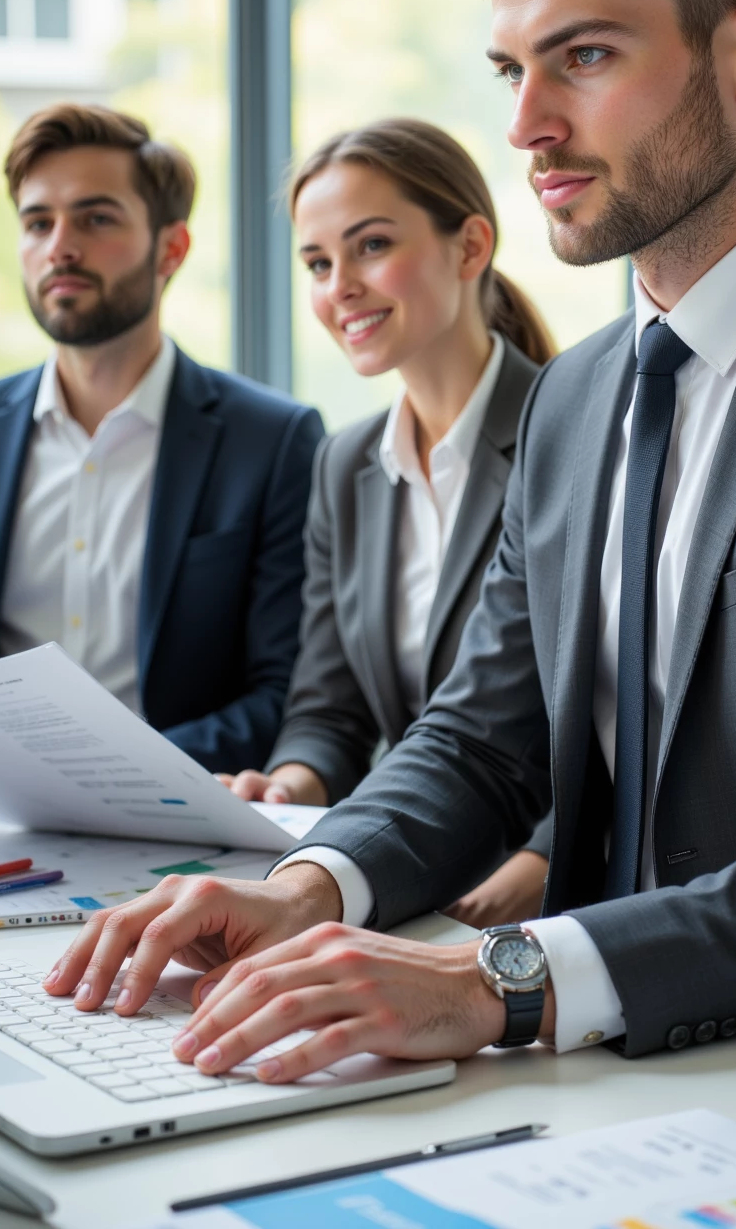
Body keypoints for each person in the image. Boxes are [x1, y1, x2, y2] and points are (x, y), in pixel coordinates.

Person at [47, 0, 736, 1138]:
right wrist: (312, 887)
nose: (526, 124)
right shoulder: (576, 395)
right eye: (510, 67)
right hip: (612, 1082)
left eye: (586, 58)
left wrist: (487, 979)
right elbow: (483, 737)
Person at [219, 118, 555, 925]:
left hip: (552, 886)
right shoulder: (346, 464)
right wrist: (291, 780)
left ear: (471, 247)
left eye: (371, 246)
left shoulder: (570, 432)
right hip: (412, 867)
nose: (339, 287)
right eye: (317, 263)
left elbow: (620, 706)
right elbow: (331, 708)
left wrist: (541, 855)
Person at [0, 103, 324, 772]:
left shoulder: (274, 440)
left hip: (178, 820)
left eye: (96, 217)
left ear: (171, 248)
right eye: (38, 222)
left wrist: (105, 773)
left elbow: (286, 693)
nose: (60, 246)